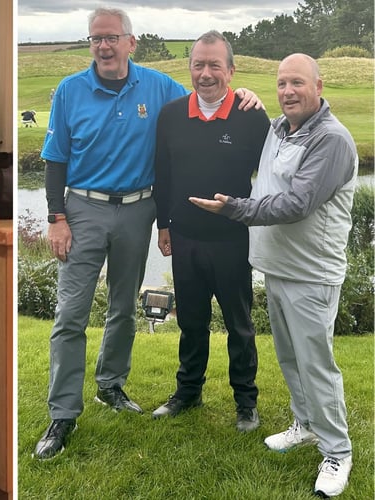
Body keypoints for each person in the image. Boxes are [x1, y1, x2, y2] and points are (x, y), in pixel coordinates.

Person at [33, 6, 262, 460]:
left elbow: (209, 95)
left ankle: (111, 386)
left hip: (138, 210)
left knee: (123, 307)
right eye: (96, 38)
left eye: (112, 37)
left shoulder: (158, 87)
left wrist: (247, 95)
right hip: (82, 209)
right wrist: (56, 217)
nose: (104, 45)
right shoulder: (69, 89)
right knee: (71, 314)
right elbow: (55, 158)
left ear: (130, 42)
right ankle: (62, 413)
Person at [189, 53, 357, 498]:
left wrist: (234, 208)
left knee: (317, 365)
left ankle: (337, 451)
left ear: (318, 86)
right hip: (278, 268)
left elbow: (296, 204)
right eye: (281, 83)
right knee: (290, 358)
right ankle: (304, 423)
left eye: (297, 83)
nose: (288, 92)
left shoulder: (332, 141)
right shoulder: (279, 130)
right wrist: (240, 94)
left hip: (312, 274)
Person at [151, 30, 269, 432]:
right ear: (190, 68)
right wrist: (163, 225)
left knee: (239, 323)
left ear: (231, 70)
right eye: (198, 64)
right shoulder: (171, 115)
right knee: (192, 321)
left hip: (232, 239)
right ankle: (188, 392)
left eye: (214, 65)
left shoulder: (252, 116)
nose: (205, 73)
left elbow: (272, 175)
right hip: (184, 237)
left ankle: (246, 403)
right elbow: (161, 175)